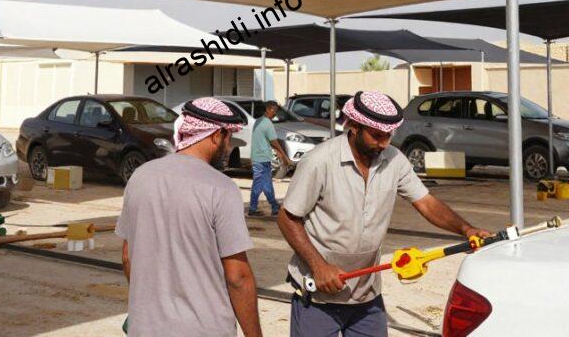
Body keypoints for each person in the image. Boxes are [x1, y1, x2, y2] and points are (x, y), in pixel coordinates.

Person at [277, 91, 492, 337]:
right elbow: (287, 218)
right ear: (355, 126)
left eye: (389, 136)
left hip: (367, 298)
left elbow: (426, 202)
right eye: (377, 136)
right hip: (317, 298)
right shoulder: (319, 161)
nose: (384, 143)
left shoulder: (394, 160)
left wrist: (466, 229)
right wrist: (319, 266)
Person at [117, 97, 262, 337]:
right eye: (228, 140)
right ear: (217, 136)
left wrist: (149, 309)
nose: (229, 148)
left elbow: (127, 256)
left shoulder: (140, 177)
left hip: (145, 329)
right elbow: (237, 277)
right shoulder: (221, 187)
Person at [249, 100, 291, 217]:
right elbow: (274, 142)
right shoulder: (267, 123)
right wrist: (284, 156)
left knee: (266, 184)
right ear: (268, 109)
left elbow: (265, 141)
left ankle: (274, 206)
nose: (275, 114)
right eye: (274, 111)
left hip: (257, 157)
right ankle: (254, 208)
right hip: (262, 159)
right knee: (260, 184)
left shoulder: (258, 121)